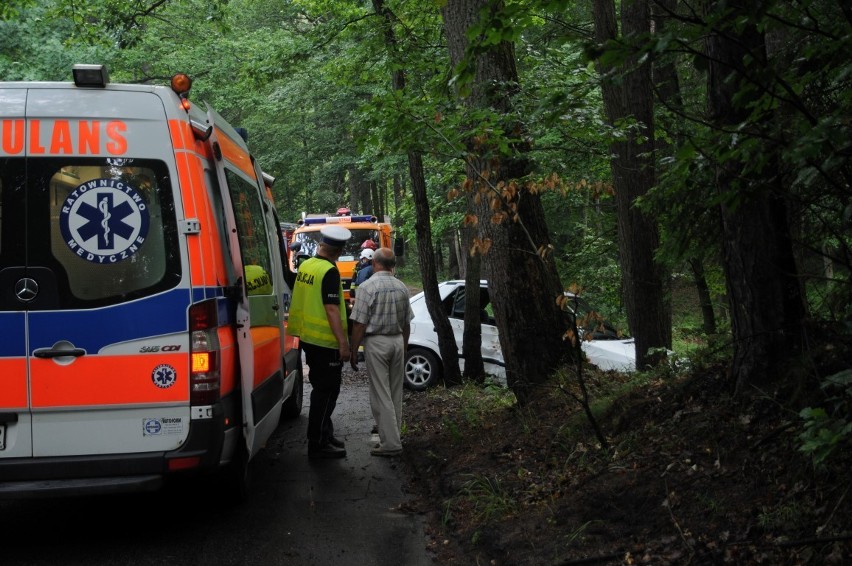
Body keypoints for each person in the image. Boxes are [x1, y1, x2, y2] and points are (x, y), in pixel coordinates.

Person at [288, 224, 352, 459]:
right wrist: (343, 343)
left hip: (309, 339)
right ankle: (318, 443)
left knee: (321, 389)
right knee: (326, 392)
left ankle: (325, 432)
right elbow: (332, 309)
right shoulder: (329, 271)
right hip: (326, 344)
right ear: (337, 251)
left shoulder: (307, 265)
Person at [349, 247, 413, 457]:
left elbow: (359, 324)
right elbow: (406, 323)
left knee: (381, 392)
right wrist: (403, 346)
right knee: (395, 391)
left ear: (375, 263)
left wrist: (352, 350)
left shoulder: (367, 287)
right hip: (396, 340)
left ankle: (391, 444)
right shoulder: (402, 287)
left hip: (376, 342)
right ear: (392, 265)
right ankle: (393, 435)